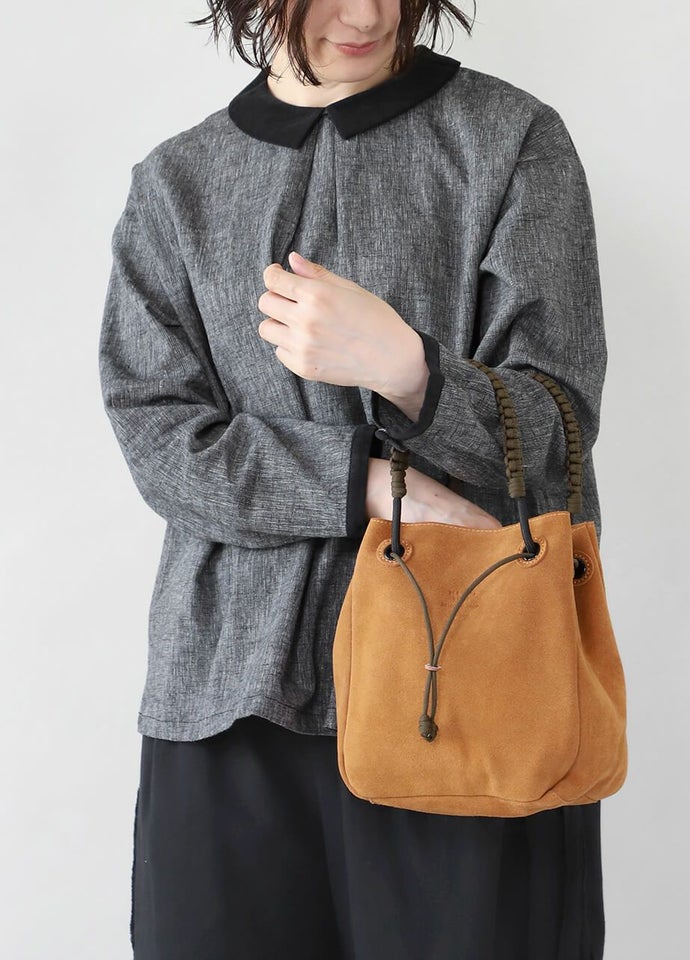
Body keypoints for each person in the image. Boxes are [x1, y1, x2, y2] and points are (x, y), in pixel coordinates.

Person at [98, 1, 609, 957]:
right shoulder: (176, 183)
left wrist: (410, 369)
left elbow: (559, 432)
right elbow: (161, 440)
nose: (369, 14)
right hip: (231, 696)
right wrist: (367, 485)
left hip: (471, 684)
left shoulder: (509, 142)